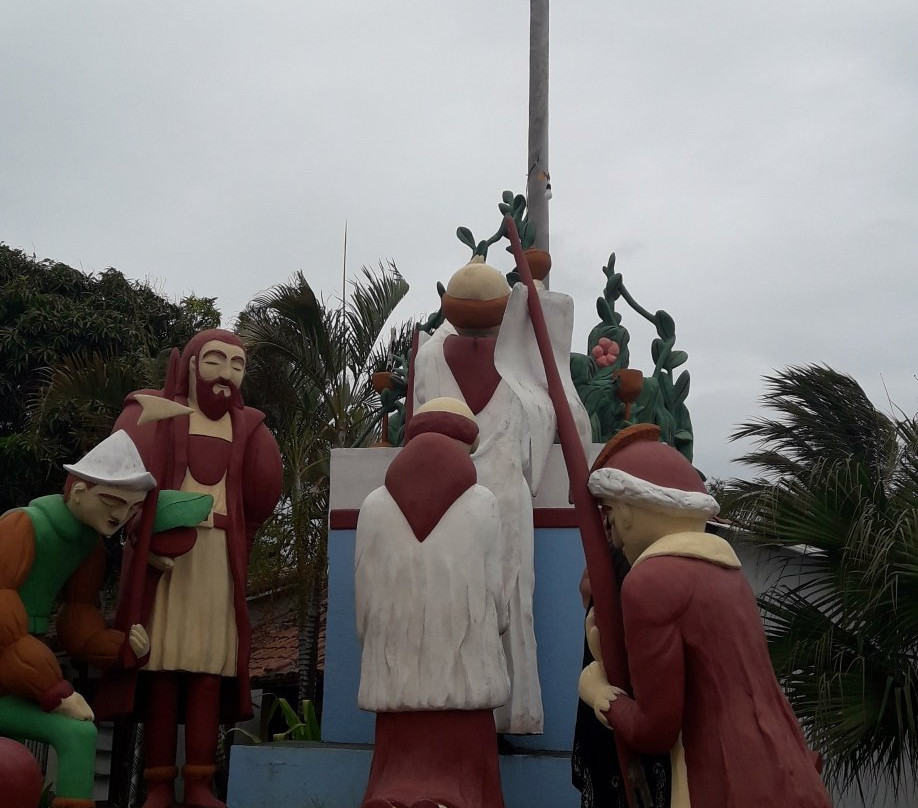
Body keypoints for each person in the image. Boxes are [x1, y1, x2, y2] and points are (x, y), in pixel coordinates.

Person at [578, 424, 832, 808]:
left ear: (628, 510)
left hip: (726, 779)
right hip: (785, 769)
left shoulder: (651, 581)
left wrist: (600, 694)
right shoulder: (726, 572)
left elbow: (654, 730)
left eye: (610, 517)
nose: (612, 537)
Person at [99, 328, 282, 808]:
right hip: (164, 567)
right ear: (192, 364)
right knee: (160, 671)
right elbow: (123, 487)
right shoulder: (155, 415)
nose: (226, 375)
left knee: (206, 672)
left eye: (237, 365)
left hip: (219, 561)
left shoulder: (250, 429)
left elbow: (261, 499)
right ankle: (158, 784)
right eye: (216, 361)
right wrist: (143, 540)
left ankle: (200, 782)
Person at [412, 256, 590, 735]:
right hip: (500, 497)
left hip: (445, 494)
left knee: (452, 596)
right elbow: (571, 422)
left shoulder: (429, 357)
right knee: (506, 598)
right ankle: (505, 711)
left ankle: (452, 704)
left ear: (449, 308)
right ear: (503, 312)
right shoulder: (527, 363)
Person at [0, 430, 208, 808]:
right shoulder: (23, 525)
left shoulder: (87, 546)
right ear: (78, 491)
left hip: (15, 673)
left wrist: (121, 646)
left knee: (77, 737)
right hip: (10, 660)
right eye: (112, 501)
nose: (121, 515)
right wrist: (53, 688)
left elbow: (79, 620)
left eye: (131, 508)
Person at [355, 398, 510, 808]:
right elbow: (497, 596)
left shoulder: (372, 506)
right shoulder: (483, 503)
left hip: (393, 672)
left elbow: (363, 603)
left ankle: (390, 796)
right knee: (466, 772)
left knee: (393, 763)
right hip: (464, 670)